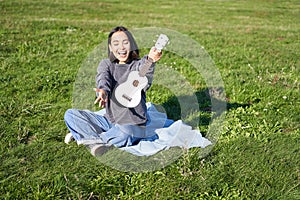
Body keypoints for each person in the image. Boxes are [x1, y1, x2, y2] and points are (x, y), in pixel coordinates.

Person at [64, 26, 173, 156]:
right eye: (116, 43)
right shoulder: (106, 64)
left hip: (132, 124)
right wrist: (103, 91)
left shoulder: (137, 65)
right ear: (110, 47)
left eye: (125, 43)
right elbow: (103, 78)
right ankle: (94, 138)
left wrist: (150, 60)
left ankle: (88, 137)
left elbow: (142, 75)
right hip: (110, 120)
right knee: (70, 114)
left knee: (125, 133)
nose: (121, 47)